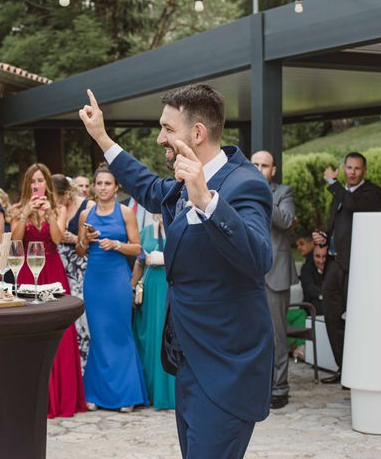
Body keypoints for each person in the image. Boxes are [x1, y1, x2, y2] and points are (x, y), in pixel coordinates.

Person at [80, 85, 273, 458]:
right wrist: (102, 137)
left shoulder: (244, 184)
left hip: (225, 367)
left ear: (197, 133)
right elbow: (148, 186)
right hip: (188, 361)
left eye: (167, 129)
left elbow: (259, 258)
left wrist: (207, 200)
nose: (159, 138)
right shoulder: (183, 182)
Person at [11, 164, 86, 418]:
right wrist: (26, 214)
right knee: (29, 328)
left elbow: (55, 238)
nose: (36, 185)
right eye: (32, 181)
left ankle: (62, 398)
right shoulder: (18, 208)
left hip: (52, 270)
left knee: (60, 331)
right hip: (27, 272)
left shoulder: (59, 208)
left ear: (47, 184)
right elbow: (14, 241)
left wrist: (50, 215)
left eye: (40, 180)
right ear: (27, 185)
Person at [77, 164, 147, 412]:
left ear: (116, 187)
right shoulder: (87, 213)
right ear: (94, 186)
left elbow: (137, 248)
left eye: (108, 183)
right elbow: (79, 249)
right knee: (100, 335)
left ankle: (127, 395)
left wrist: (116, 244)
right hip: (94, 280)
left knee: (120, 333)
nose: (103, 188)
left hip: (118, 279)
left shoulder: (126, 212)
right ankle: (96, 393)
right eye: (99, 183)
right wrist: (86, 239)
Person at [312, 152, 381, 385]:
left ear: (364, 171)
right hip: (334, 263)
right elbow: (338, 228)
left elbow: (352, 205)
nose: (352, 172)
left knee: (357, 319)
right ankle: (345, 370)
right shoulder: (340, 194)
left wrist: (333, 183)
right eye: (349, 168)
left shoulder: (371, 192)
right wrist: (324, 238)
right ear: (344, 168)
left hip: (356, 266)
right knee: (332, 317)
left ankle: (362, 370)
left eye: (357, 169)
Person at [251, 150, 298, 410]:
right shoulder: (239, 190)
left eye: (264, 166)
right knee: (250, 334)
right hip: (247, 273)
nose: (259, 169)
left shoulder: (283, 192)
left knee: (277, 335)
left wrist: (261, 193)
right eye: (254, 165)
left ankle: (280, 387)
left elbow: (286, 220)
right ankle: (257, 385)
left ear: (273, 170)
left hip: (275, 274)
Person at [131, 214, 175, 410]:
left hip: (172, 289)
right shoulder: (147, 231)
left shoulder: (181, 229)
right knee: (150, 339)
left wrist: (161, 258)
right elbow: (139, 262)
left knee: (171, 338)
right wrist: (131, 288)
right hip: (151, 290)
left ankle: (171, 395)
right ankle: (149, 392)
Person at [52, 174, 94, 370]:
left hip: (80, 266)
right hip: (59, 265)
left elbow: (92, 239)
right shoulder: (52, 207)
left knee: (82, 318)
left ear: (66, 193)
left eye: (56, 196)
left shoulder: (87, 206)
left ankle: (86, 369)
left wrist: (73, 238)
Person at [288, 243, 328, 362]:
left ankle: (298, 349)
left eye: (324, 256)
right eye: (317, 256)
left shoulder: (332, 269)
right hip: (310, 309)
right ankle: (297, 348)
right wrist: (324, 295)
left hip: (324, 309)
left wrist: (321, 296)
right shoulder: (307, 268)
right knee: (282, 318)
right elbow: (309, 288)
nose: (321, 260)